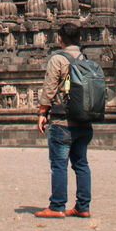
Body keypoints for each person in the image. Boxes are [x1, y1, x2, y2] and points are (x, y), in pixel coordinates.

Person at [35, 22, 92, 219]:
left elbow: (50, 89)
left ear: (60, 39)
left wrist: (43, 113)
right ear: (81, 39)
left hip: (62, 121)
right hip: (85, 120)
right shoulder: (86, 59)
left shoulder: (58, 59)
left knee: (59, 164)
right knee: (81, 164)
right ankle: (83, 206)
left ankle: (57, 206)